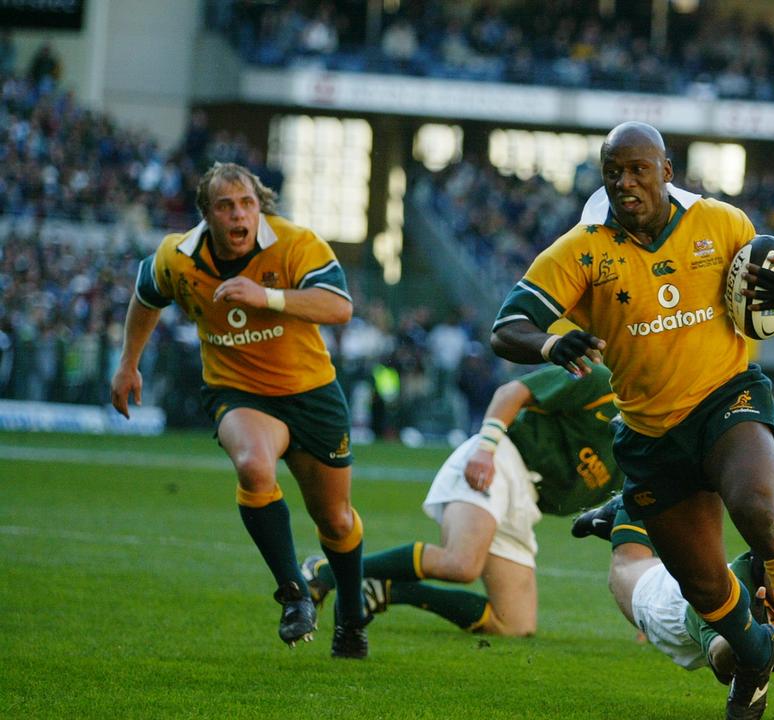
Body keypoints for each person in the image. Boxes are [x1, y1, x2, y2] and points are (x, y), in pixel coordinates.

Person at [490, 121, 774, 720]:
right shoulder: (583, 249)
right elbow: (506, 327)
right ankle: (753, 659)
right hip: (650, 435)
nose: (625, 182)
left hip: (728, 398)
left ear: (667, 172)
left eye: (637, 169)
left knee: (756, 507)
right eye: (613, 172)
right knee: (704, 588)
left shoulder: (722, 224)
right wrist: (549, 346)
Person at [109, 162, 370, 658]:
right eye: (226, 206)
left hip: (311, 392)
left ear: (260, 207)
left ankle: (352, 617)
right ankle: (294, 594)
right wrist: (128, 364)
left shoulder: (295, 243)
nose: (238, 214)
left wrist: (267, 296)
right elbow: (146, 295)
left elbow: (338, 307)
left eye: (247, 203)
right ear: (207, 214)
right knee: (253, 466)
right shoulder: (177, 257)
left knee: (335, 520)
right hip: (238, 392)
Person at [303, 360, 622, 636]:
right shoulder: (599, 381)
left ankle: (388, 589)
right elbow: (511, 392)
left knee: (515, 625)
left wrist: (642, 613)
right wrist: (486, 448)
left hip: (525, 500)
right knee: (461, 564)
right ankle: (325, 572)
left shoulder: (641, 450)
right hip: (501, 458)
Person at [573, 500, 774, 702]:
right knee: (628, 565)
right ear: (762, 569)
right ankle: (630, 502)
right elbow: (722, 664)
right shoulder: (729, 589)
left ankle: (636, 511)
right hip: (674, 608)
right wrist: (751, 640)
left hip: (710, 580)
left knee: (684, 533)